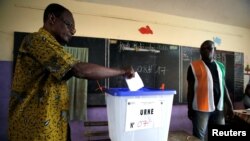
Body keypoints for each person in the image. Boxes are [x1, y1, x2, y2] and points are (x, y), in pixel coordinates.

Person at [8, 3, 135, 141]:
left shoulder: (55, 49)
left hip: (54, 127)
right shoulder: (37, 40)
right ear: (52, 19)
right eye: (69, 25)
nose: (73, 31)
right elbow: (78, 70)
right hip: (34, 132)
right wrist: (122, 71)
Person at [186, 40, 234, 141]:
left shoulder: (221, 66)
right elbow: (190, 89)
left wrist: (230, 105)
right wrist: (189, 108)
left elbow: (223, 86)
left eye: (209, 48)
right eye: (203, 49)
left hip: (219, 108)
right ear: (200, 52)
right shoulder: (193, 66)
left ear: (214, 50)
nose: (206, 50)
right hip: (200, 109)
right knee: (199, 137)